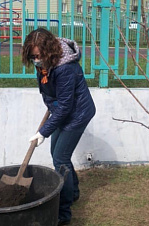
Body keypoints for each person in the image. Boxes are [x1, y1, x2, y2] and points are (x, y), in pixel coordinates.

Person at [22, 28, 96, 225]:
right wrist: (50, 105)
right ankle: (74, 193)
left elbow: (65, 106)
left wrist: (43, 132)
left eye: (37, 56)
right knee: (58, 153)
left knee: (60, 159)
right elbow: (50, 93)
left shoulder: (65, 68)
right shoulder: (47, 63)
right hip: (62, 111)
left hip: (78, 114)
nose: (35, 60)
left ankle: (63, 212)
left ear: (48, 51)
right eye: (32, 56)